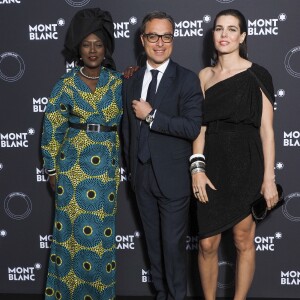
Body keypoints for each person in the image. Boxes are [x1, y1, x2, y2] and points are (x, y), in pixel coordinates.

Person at [191, 9, 278, 300]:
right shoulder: (203, 76)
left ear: (242, 36)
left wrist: (268, 178)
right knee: (207, 244)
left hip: (246, 162)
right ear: (212, 35)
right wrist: (197, 170)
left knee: (243, 239)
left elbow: (266, 130)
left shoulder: (258, 74)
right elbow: (199, 129)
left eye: (231, 29)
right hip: (211, 162)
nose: (224, 35)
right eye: (219, 29)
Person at [41, 8, 122, 300]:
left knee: (101, 240)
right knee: (70, 240)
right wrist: (52, 170)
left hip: (106, 175)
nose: (92, 50)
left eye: (98, 44)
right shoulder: (64, 86)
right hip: (72, 174)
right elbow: (52, 130)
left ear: (105, 49)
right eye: (87, 44)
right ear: (79, 48)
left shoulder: (118, 84)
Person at [122, 11, 203, 300]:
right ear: (143, 39)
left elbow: (192, 127)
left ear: (173, 39)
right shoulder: (130, 79)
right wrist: (132, 169)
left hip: (173, 180)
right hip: (141, 178)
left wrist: (152, 116)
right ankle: (161, 295)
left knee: (172, 247)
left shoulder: (187, 80)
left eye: (166, 36)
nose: (160, 43)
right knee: (154, 248)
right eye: (153, 36)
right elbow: (126, 131)